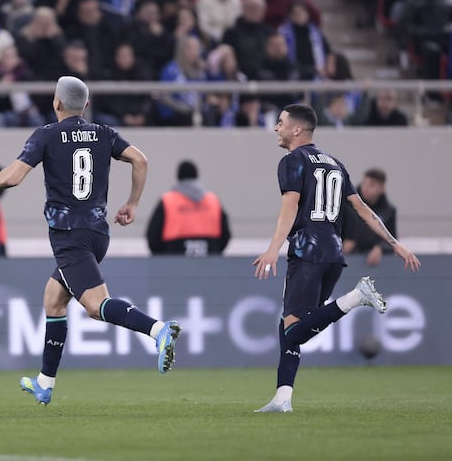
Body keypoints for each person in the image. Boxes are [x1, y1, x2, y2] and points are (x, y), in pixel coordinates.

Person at [0, 75, 182, 406]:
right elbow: (140, 160)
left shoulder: (47, 134)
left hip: (69, 235)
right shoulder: (103, 133)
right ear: (85, 105)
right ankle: (44, 383)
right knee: (54, 300)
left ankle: (158, 331)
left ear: (56, 103)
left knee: (96, 307)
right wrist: (131, 203)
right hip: (98, 232)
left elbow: (13, 177)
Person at [252, 104, 421, 413]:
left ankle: (356, 297)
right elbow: (362, 209)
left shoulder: (292, 161)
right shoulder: (335, 164)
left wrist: (273, 248)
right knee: (289, 325)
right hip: (333, 253)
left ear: (297, 130)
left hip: (307, 252)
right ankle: (282, 399)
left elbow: (290, 206)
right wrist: (395, 243)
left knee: (294, 331)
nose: (276, 128)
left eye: (280, 123)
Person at [146, 160, 231, 256]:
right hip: (210, 259)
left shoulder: (167, 200)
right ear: (196, 176)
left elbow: (153, 237)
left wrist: (164, 258)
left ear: (178, 177)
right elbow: (225, 235)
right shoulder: (213, 200)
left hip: (174, 259)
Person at [342, 168, 397, 267]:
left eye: (372, 185)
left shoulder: (389, 211)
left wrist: (380, 248)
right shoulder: (348, 205)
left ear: (382, 188)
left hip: (374, 264)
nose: (366, 188)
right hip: (348, 260)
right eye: (364, 183)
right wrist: (342, 243)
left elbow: (392, 240)